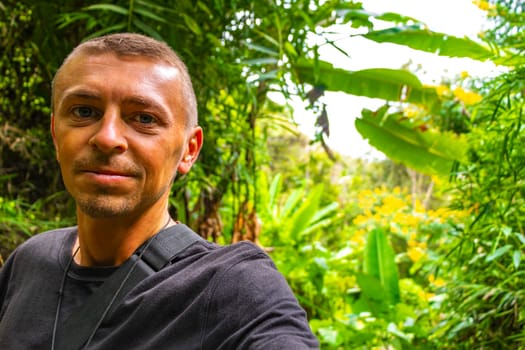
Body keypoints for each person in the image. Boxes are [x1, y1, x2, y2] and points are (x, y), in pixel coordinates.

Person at [0, 33, 319, 349]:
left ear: (188, 151)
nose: (108, 138)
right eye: (85, 111)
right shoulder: (29, 261)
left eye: (143, 118)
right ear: (56, 135)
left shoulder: (232, 286)